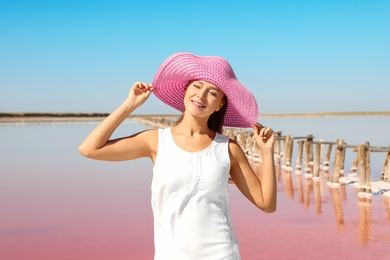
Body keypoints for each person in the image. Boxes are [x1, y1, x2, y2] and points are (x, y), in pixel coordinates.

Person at [79, 52, 277, 260]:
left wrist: (267, 152)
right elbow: (89, 149)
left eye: (212, 93)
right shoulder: (156, 141)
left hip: (221, 254)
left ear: (219, 104)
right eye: (197, 86)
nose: (201, 96)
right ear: (186, 89)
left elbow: (267, 204)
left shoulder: (227, 148)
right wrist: (130, 105)